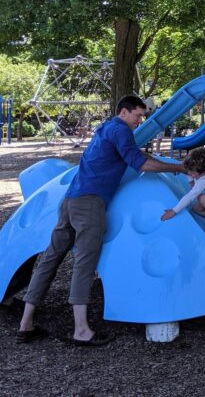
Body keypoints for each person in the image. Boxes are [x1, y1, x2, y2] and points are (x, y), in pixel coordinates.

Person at [16, 94, 184, 347]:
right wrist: (179, 168)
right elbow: (140, 163)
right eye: (138, 115)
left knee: (50, 259)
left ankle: (25, 323)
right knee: (85, 262)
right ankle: (81, 330)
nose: (140, 121)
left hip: (69, 200)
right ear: (124, 112)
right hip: (89, 203)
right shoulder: (121, 130)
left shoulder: (105, 128)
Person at [160, 147, 205, 237]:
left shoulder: (204, 180)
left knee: (202, 198)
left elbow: (190, 196)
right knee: (196, 209)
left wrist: (173, 211)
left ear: (202, 172)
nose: (189, 173)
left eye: (192, 172)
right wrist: (190, 176)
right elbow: (191, 177)